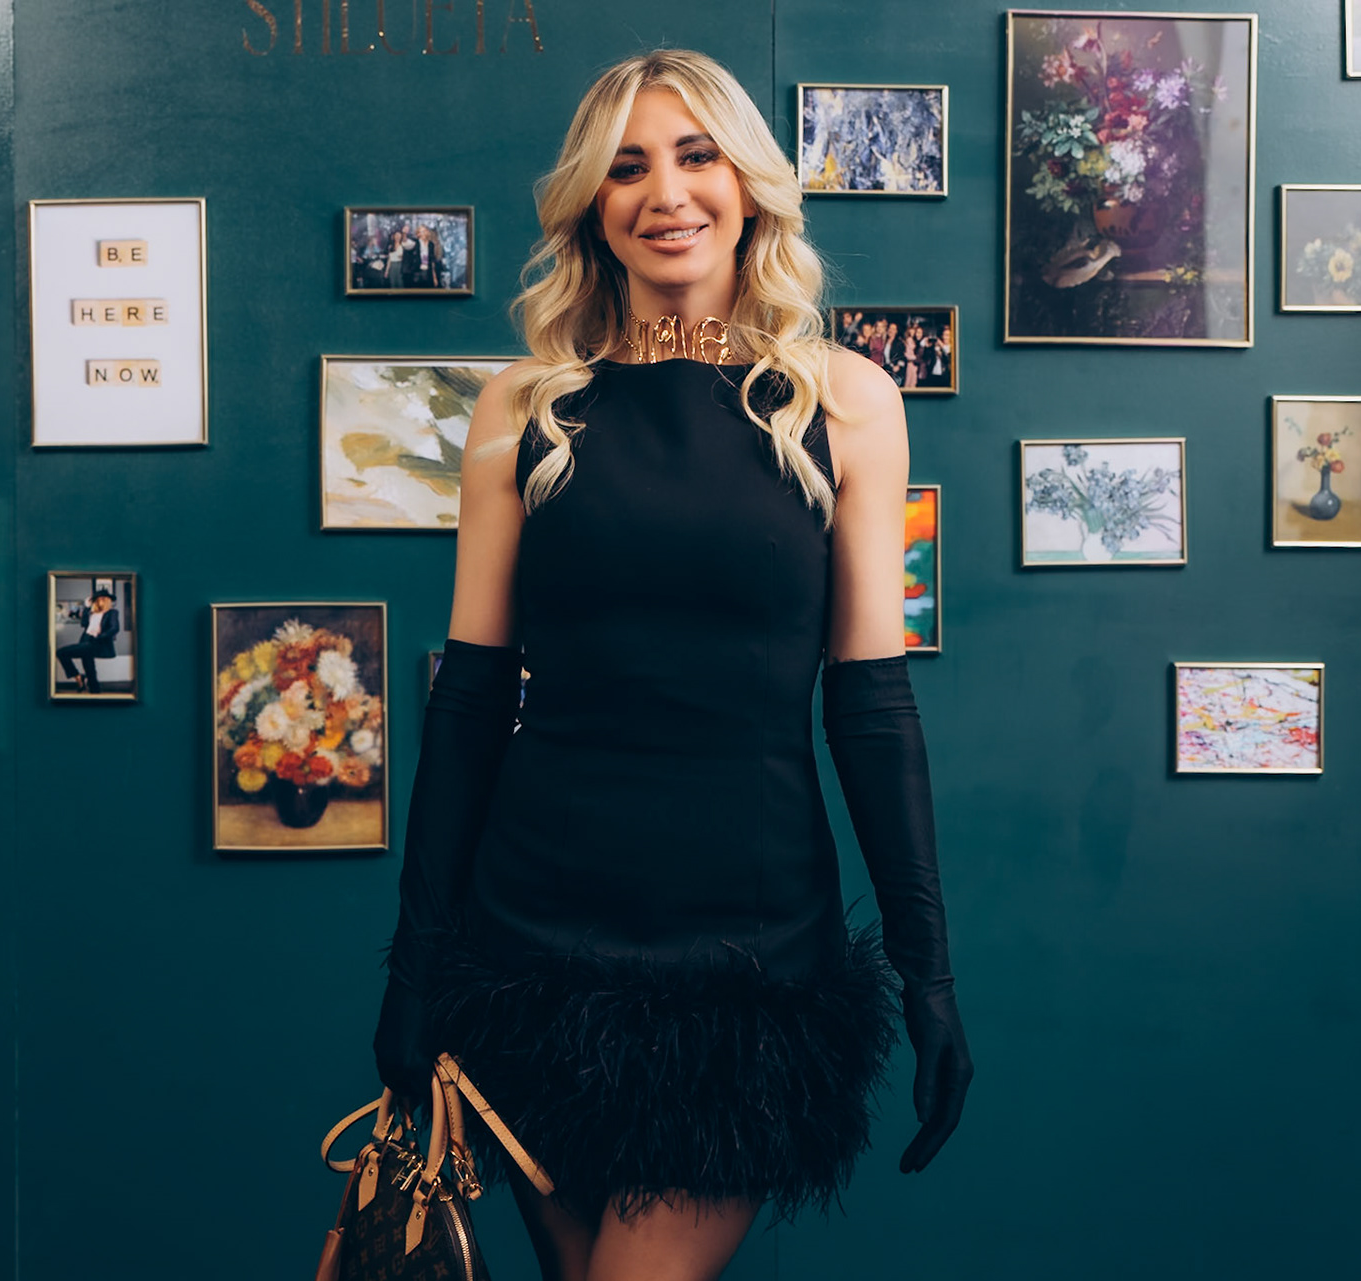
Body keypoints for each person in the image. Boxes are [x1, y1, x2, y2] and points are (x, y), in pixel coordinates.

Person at [373, 49, 971, 1281]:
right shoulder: (525, 409)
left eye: (697, 156)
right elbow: (472, 702)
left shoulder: (847, 402)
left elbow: (870, 706)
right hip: (531, 944)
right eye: (627, 166)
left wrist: (928, 974)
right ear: (590, 204)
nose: (666, 192)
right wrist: (416, 968)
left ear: (748, 184)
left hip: (745, 959)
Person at [56, 591, 118, 694]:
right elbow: (84, 623)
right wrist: (87, 607)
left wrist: (99, 637)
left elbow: (114, 628)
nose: (100, 601)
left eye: (102, 599)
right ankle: (94, 689)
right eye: (97, 599)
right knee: (89, 667)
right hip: (85, 640)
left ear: (107, 600)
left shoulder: (112, 612)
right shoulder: (91, 612)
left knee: (61, 652)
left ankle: (78, 677)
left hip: (97, 642)